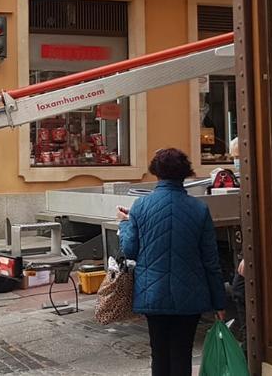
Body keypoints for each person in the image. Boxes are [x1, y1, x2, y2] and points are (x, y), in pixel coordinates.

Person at [118, 148, 226, 376]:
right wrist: (219, 303)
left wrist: (126, 224)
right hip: (190, 295)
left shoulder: (140, 206)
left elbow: (130, 251)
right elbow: (211, 260)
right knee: (182, 354)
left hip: (152, 293)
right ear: (185, 173)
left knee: (159, 353)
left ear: (156, 173)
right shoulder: (199, 209)